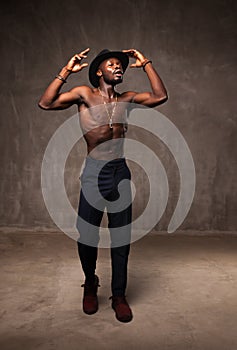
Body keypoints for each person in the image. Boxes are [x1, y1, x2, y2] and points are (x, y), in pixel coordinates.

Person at [38, 47, 168, 323]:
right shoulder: (84, 94)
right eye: (112, 64)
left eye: (121, 65)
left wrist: (146, 64)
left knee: (121, 238)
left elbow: (160, 96)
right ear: (99, 71)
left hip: (119, 172)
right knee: (87, 236)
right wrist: (65, 71)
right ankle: (90, 283)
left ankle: (118, 295)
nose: (119, 67)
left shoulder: (127, 99)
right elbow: (46, 103)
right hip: (94, 173)